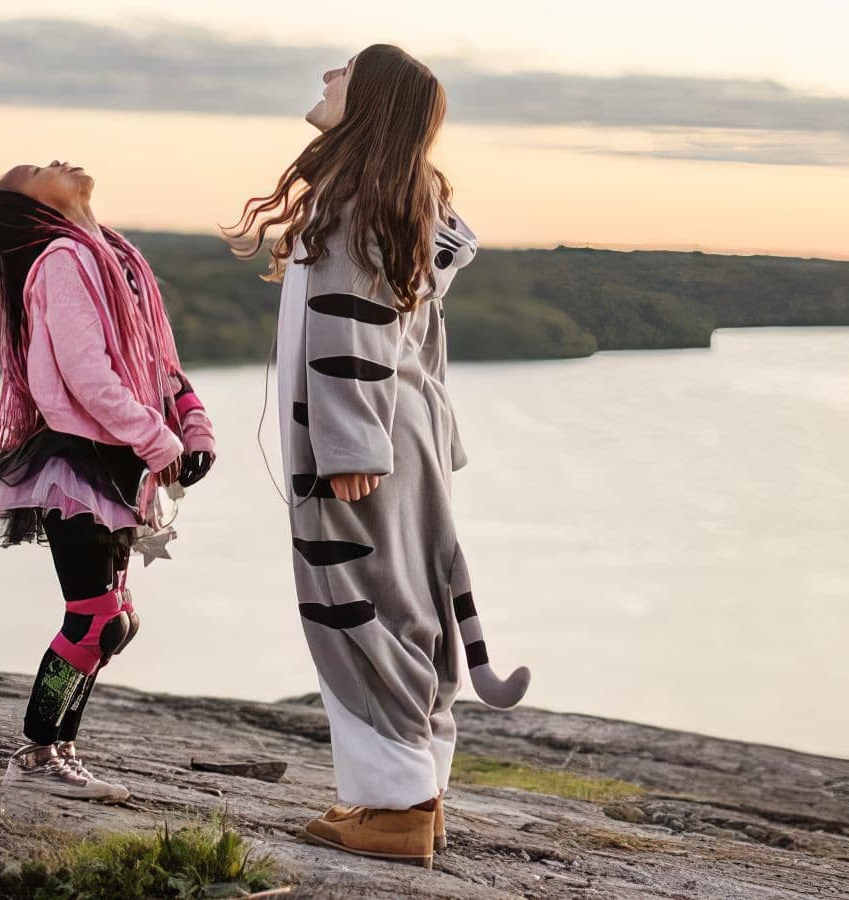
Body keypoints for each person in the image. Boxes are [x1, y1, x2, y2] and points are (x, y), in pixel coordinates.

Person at [225, 45, 529, 866]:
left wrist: (350, 442)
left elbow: (349, 322)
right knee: (412, 608)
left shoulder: (358, 196)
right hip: (404, 432)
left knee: (352, 607)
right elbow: (417, 340)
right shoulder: (403, 195)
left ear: (373, 100)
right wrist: (420, 442)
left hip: (359, 438)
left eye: (343, 70)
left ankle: (392, 809)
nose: (326, 76)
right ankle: (414, 793)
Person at [0, 160, 215, 801]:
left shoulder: (113, 256)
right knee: (93, 619)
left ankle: (60, 749)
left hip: (115, 462)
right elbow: (86, 377)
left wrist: (191, 418)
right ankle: (36, 754)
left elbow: (154, 358)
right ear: (31, 207)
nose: (54, 162)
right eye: (33, 170)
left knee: (114, 621)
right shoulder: (62, 260)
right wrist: (157, 439)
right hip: (76, 461)